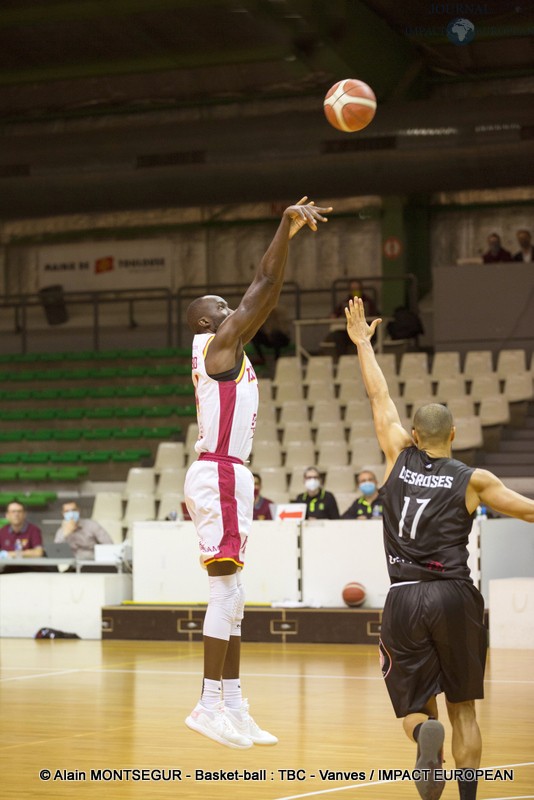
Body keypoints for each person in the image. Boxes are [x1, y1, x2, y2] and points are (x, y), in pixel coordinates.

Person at [344, 296, 534, 800]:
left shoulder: (395, 456)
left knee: (414, 707)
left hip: (404, 597)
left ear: (414, 435)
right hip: (453, 594)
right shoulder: (475, 480)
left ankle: (423, 735)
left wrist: (363, 342)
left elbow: (378, 395)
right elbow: (530, 510)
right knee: (465, 708)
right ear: (453, 434)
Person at [183, 196, 332, 749]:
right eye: (223, 306)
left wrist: (286, 239)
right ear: (206, 320)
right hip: (219, 471)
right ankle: (206, 704)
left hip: (230, 473)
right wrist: (285, 228)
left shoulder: (229, 348)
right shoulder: (217, 345)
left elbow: (261, 294)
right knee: (226, 592)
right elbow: (263, 287)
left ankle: (234, 703)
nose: (233, 310)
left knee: (235, 594)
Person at [325, 279, 379, 358]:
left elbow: (376, 315)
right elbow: (335, 313)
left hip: (365, 331)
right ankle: (342, 360)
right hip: (351, 331)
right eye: (353, 289)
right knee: (338, 336)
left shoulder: (369, 302)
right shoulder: (346, 302)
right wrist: (333, 315)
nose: (355, 291)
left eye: (357, 289)